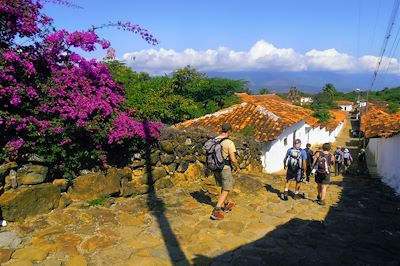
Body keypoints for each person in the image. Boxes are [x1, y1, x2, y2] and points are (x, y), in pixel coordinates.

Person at [210, 123, 240, 220]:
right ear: (229, 131)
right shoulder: (229, 142)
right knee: (227, 188)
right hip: (225, 168)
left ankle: (226, 205)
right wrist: (237, 167)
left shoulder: (215, 140)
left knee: (223, 186)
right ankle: (216, 211)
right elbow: (233, 159)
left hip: (215, 167)